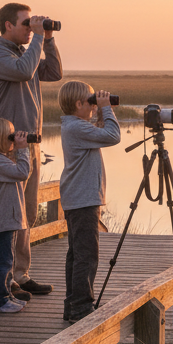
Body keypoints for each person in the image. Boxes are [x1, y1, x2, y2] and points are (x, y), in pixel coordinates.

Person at [0, 2, 62, 301]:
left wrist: (49, 39)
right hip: (6, 146)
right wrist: (39, 39)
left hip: (29, 145)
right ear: (7, 26)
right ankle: (2, 281)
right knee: (7, 217)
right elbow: (25, 71)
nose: (31, 29)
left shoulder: (23, 53)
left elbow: (53, 72)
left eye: (32, 24)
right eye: (26, 23)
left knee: (27, 213)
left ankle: (20, 275)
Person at [58, 82, 121, 322]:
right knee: (86, 255)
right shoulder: (76, 128)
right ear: (78, 104)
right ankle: (81, 307)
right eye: (91, 102)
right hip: (83, 200)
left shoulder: (75, 127)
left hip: (78, 198)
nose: (94, 105)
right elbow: (113, 136)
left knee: (77, 254)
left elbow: (102, 134)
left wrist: (101, 111)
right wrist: (106, 108)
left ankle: (73, 305)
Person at [0, 117, 32, 313]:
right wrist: (22, 149)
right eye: (11, 135)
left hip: (7, 218)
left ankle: (2, 294)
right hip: (2, 219)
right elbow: (23, 172)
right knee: (3, 260)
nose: (14, 139)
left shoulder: (1, 159)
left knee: (4, 259)